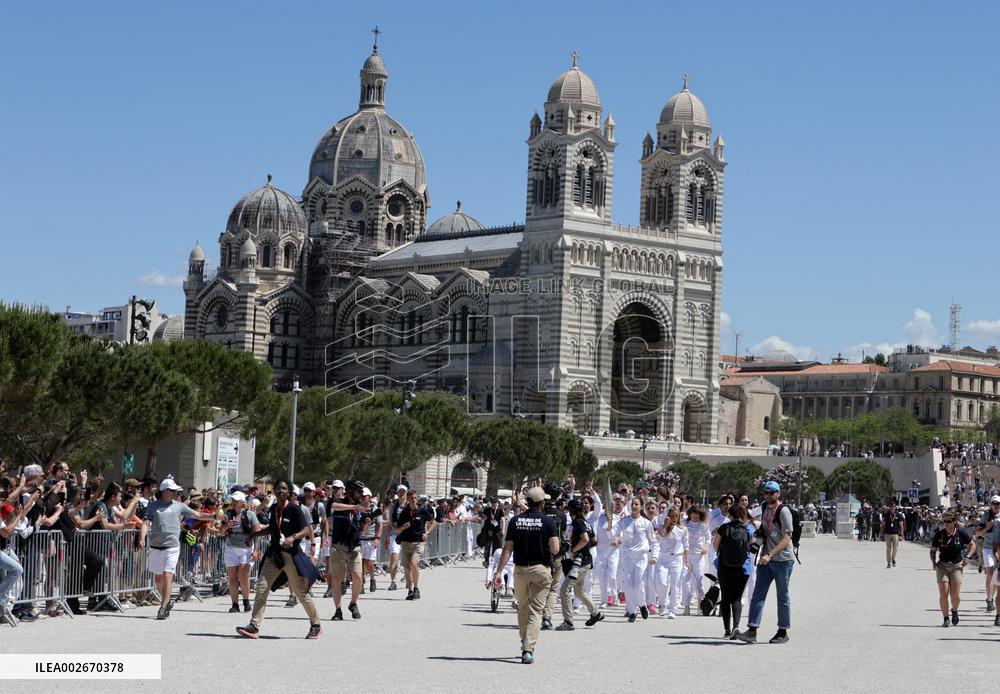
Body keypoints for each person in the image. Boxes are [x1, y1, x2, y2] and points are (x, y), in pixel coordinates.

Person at [237, 478, 322, 639]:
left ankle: (316, 624)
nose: (280, 491)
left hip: (291, 556)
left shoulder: (295, 509)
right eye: (278, 489)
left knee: (300, 592)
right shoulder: (274, 508)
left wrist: (293, 537)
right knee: (262, 587)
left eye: (284, 489)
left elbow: (306, 529)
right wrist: (254, 535)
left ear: (289, 492)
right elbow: (273, 528)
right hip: (274, 555)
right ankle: (254, 626)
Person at [493, 487, 560, 665]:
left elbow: (507, 548)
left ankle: (525, 640)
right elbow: (555, 549)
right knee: (536, 611)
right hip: (540, 569)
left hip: (520, 570)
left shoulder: (515, 520)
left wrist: (499, 572)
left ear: (527, 502)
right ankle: (528, 648)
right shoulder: (548, 522)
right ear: (542, 503)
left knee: (522, 608)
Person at [145, 478, 215, 620]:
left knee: (167, 575)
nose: (176, 492)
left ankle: (163, 607)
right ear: (165, 491)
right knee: (158, 578)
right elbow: (146, 523)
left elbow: (197, 514)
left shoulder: (179, 506)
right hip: (156, 545)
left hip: (172, 546)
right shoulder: (153, 506)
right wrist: (141, 538)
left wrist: (213, 516)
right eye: (173, 490)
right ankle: (167, 599)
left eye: (176, 491)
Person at [738, 481, 794, 644]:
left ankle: (783, 631)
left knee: (782, 596)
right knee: (758, 594)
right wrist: (755, 544)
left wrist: (770, 554)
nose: (768, 495)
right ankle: (752, 630)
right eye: (765, 492)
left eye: (771, 492)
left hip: (782, 560)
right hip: (765, 559)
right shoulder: (764, 508)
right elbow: (764, 530)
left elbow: (786, 538)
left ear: (778, 494)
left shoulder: (783, 511)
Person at [554, 498, 603, 630]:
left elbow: (586, 539)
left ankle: (568, 622)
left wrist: (574, 550)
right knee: (579, 591)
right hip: (586, 561)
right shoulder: (586, 522)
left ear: (571, 510)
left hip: (579, 563)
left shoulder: (578, 522)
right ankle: (595, 613)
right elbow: (594, 541)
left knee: (564, 590)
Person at [612, 497, 659, 623]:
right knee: (627, 585)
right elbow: (613, 533)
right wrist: (614, 536)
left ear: (641, 507)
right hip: (627, 557)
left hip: (641, 558)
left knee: (638, 585)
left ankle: (642, 604)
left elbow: (654, 542)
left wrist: (654, 556)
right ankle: (632, 611)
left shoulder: (646, 523)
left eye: (636, 504)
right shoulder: (624, 521)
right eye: (632, 504)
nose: (634, 506)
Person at [713, 503, 754, 639]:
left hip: (725, 567)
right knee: (737, 598)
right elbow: (751, 546)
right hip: (743, 568)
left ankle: (726, 629)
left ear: (730, 515)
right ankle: (736, 626)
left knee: (726, 598)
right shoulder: (748, 529)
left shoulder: (723, 528)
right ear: (743, 515)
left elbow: (715, 546)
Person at [327, 480, 367, 620]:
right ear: (351, 491)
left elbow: (361, 529)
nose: (361, 495)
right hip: (338, 546)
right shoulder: (339, 502)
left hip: (354, 546)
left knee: (357, 576)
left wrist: (365, 524)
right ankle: (338, 610)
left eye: (362, 492)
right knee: (337, 579)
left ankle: (353, 603)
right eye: (359, 492)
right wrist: (353, 507)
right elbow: (333, 506)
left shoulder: (360, 507)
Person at [930, 512, 976, 627]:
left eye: (949, 521)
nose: (946, 524)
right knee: (943, 592)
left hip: (956, 566)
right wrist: (933, 562)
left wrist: (968, 557)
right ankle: (945, 618)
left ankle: (954, 610)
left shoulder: (961, 533)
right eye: (944, 521)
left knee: (955, 595)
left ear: (954, 522)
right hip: (942, 566)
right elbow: (933, 550)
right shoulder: (939, 535)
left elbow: (973, 545)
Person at [222, 491, 263, 613]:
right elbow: (221, 531)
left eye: (236, 500)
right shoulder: (228, 514)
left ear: (242, 502)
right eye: (233, 500)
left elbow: (257, 533)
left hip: (246, 548)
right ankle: (235, 604)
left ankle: (246, 600)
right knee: (232, 578)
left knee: (243, 576)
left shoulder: (250, 514)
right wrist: (226, 526)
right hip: (230, 547)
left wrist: (256, 550)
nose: (234, 503)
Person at [395, 490, 436, 600]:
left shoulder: (423, 510)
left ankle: (416, 588)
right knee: (407, 568)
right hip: (405, 543)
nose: (413, 500)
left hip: (418, 542)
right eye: (411, 498)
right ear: (407, 499)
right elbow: (397, 529)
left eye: (414, 497)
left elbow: (433, 522)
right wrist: (403, 527)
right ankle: (410, 590)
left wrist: (427, 533)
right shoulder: (404, 512)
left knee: (413, 564)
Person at [655, 507, 689, 619]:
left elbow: (686, 545)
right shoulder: (662, 527)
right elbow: (659, 536)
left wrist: (686, 560)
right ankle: (663, 604)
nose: (674, 518)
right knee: (662, 582)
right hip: (664, 558)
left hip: (677, 559)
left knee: (675, 585)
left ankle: (672, 609)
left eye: (676, 516)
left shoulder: (682, 529)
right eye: (672, 516)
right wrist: (665, 526)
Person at [975, 495, 999, 611]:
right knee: (990, 572)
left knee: (996, 576)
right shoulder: (986, 516)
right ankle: (989, 600)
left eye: (998, 504)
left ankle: (993, 598)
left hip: (999, 549)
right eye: (994, 503)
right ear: (991, 504)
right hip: (988, 548)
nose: (996, 506)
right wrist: (987, 527)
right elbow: (977, 533)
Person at [384, 485, 408, 590]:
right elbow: (390, 523)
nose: (401, 493)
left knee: (407, 560)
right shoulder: (393, 506)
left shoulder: (409, 505)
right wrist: (387, 537)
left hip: (407, 535)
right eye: (400, 492)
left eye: (403, 491)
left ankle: (408, 579)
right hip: (395, 534)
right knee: (394, 557)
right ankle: (393, 582)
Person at [359, 487, 382, 593]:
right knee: (361, 563)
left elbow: (380, 524)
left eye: (365, 496)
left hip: (371, 539)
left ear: (369, 497)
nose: (363, 498)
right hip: (360, 538)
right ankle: (361, 584)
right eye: (361, 496)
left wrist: (377, 538)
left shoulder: (375, 509)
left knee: (368, 562)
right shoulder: (359, 508)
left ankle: (372, 578)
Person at [882, 499, 905, 569]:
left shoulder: (899, 515)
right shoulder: (886, 515)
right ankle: (889, 562)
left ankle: (893, 558)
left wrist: (901, 534)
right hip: (887, 534)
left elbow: (901, 525)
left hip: (895, 534)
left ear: (895, 507)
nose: (892, 507)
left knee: (895, 548)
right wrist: (881, 533)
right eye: (891, 506)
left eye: (893, 506)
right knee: (888, 549)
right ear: (889, 507)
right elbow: (883, 525)